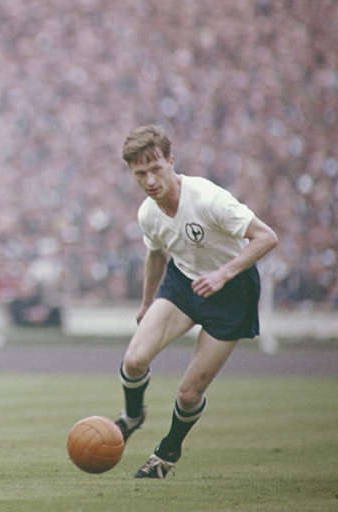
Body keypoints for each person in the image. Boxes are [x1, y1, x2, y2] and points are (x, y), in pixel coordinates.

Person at [113, 125, 277, 478]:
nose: (150, 180)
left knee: (188, 395)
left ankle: (167, 453)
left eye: (155, 168)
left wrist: (223, 274)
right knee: (134, 360)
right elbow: (156, 254)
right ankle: (132, 416)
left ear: (171, 161)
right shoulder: (148, 213)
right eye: (140, 173)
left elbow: (266, 237)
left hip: (232, 292)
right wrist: (146, 303)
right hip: (183, 281)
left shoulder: (207, 198)